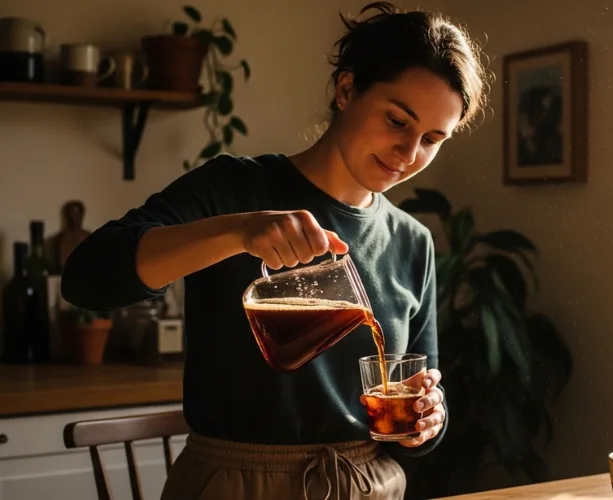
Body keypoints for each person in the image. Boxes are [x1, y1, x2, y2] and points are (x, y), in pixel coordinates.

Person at [60, 2, 491, 498]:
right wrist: (238, 233)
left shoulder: (413, 241)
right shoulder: (234, 190)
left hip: (367, 484)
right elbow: (86, 278)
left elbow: (413, 406)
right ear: (346, 89)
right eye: (397, 121)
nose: (409, 153)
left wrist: (425, 420)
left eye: (433, 138)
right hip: (234, 483)